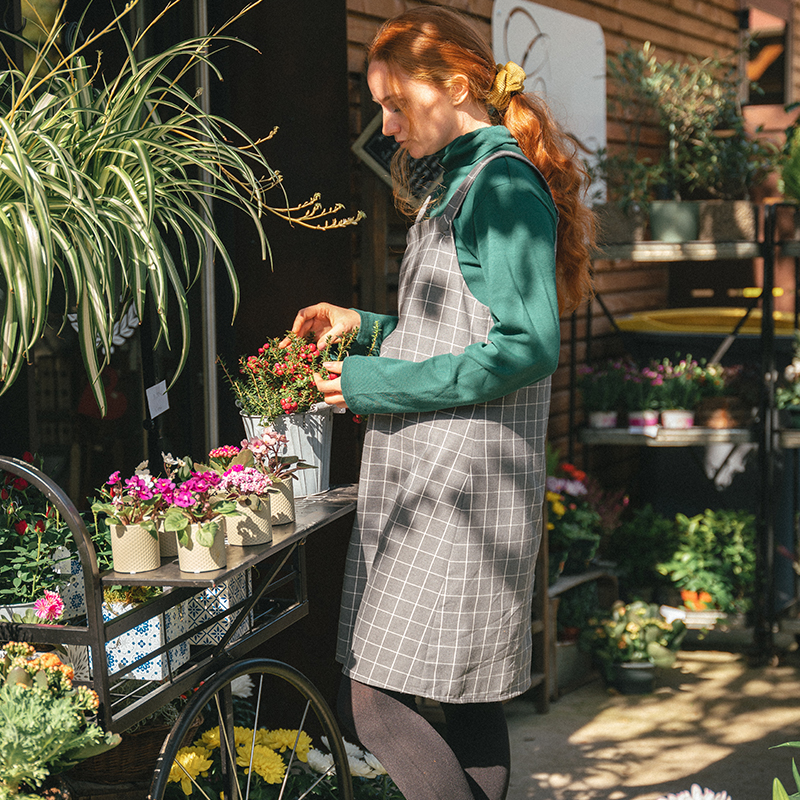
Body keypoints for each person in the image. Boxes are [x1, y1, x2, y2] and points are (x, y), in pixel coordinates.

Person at [286, 6, 594, 799]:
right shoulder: (464, 183)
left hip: (463, 491)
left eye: (396, 104)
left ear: (457, 87)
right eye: (379, 107)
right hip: (450, 484)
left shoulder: (499, 187)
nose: (386, 126)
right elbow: (455, 326)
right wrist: (366, 326)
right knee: (469, 703)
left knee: (376, 704)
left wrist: (369, 381)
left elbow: (527, 345)